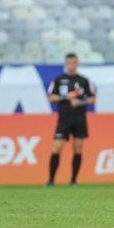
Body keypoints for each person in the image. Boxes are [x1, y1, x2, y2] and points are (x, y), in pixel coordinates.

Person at [46, 53, 96, 186]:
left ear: (77, 63)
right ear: (65, 64)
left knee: (78, 148)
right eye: (69, 63)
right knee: (57, 147)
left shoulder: (84, 81)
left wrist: (80, 102)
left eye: (74, 62)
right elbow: (50, 98)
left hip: (79, 118)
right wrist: (65, 97)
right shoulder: (58, 80)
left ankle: (73, 180)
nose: (71, 65)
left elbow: (92, 99)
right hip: (64, 118)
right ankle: (51, 180)